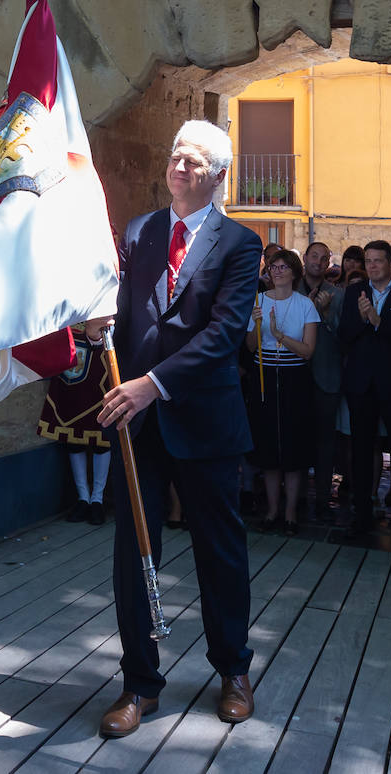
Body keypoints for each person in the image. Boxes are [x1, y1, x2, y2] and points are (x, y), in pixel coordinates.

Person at [86, 121, 262, 738]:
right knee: (134, 553)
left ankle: (234, 670)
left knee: (220, 551)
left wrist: (152, 383)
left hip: (206, 420)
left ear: (218, 175)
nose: (178, 167)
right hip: (138, 424)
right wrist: (94, 324)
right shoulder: (140, 232)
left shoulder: (242, 244)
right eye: (174, 156)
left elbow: (223, 334)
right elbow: (126, 311)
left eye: (193, 161)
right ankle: (139, 684)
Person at [339, 239, 391, 544]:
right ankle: (361, 518)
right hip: (361, 385)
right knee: (361, 454)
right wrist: (362, 321)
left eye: (378, 261)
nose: (372, 266)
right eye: (368, 261)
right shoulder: (353, 294)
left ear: (390, 263)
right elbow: (344, 335)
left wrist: (378, 321)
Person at [247, 248, 319, 534]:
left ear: (294, 272)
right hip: (263, 375)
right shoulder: (257, 301)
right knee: (268, 445)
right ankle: (272, 511)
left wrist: (280, 337)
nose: (277, 271)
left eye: (283, 267)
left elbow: (308, 351)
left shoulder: (305, 305)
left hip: (294, 378)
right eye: (273, 267)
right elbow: (250, 347)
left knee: (292, 447)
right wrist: (257, 325)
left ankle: (290, 514)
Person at [37, 322, 111, 524]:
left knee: (101, 437)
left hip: (103, 355)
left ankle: (98, 499)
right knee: (72, 434)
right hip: (72, 349)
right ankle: (83, 498)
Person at [296, 241, 345, 521]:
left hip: (327, 375)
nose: (318, 261)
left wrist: (324, 316)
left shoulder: (337, 295)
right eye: (314, 256)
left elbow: (344, 337)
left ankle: (324, 499)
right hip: (296, 375)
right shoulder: (288, 290)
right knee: (298, 438)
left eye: (324, 257)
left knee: (326, 443)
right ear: (304, 259)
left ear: (328, 264)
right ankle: (299, 496)